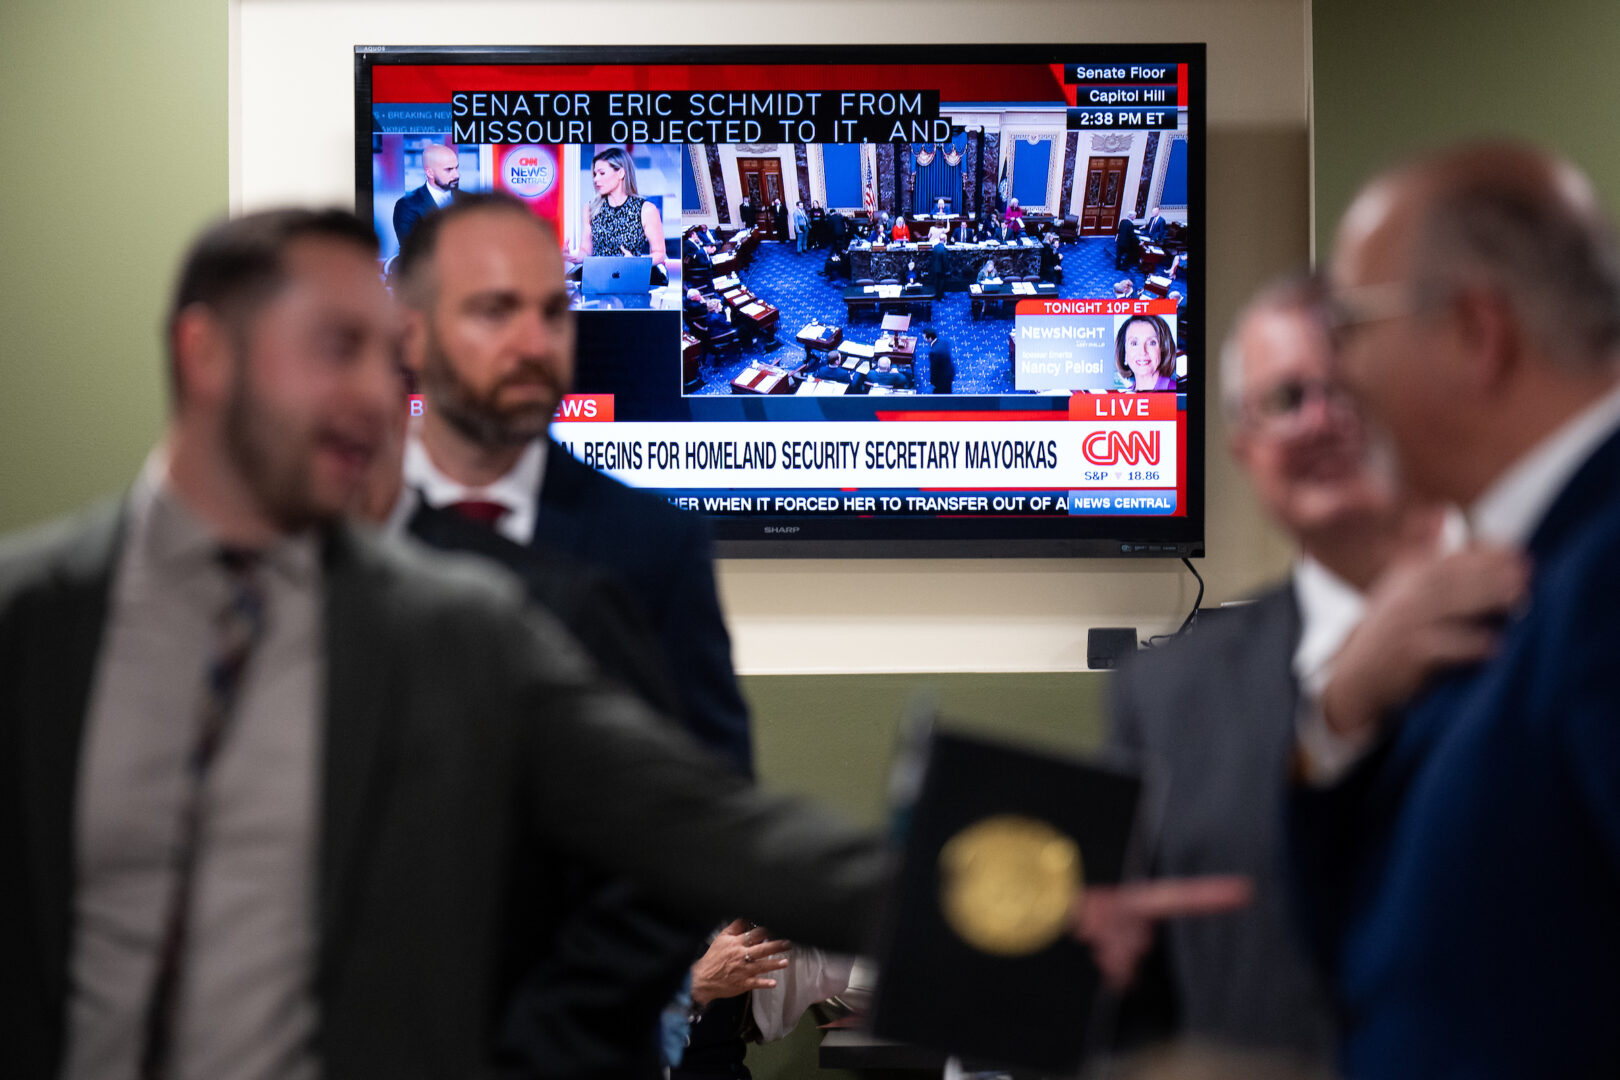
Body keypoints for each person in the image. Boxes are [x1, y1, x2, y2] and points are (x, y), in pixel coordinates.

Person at [0, 208, 883, 1079]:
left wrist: (985, 899)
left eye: (383, 356)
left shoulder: (460, 622)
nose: (373, 394)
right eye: (333, 349)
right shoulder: (31, 620)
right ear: (206, 355)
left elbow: (709, 825)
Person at [1103, 275, 1524, 1069]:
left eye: (1350, 388)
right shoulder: (1163, 696)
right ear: (1244, 446)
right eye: (1287, 397)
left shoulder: (1560, 615)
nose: (1324, 419)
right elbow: (1139, 1014)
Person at [1297, 141, 1620, 1079]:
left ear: (1478, 332)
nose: (1337, 377)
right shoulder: (1524, 570)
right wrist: (1342, 713)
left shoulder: (1599, 582)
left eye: (1351, 325)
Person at [570, 145, 668, 285]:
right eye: (594, 174)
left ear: (621, 173)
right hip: (598, 280)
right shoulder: (590, 208)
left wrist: (636, 262)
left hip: (630, 278)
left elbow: (659, 253)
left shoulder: (646, 209)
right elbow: (586, 251)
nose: (596, 179)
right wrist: (572, 257)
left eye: (602, 173)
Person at [392, 141, 459, 247]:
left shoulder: (467, 200)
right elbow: (412, 251)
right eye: (449, 169)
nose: (456, 175)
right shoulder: (407, 205)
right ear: (429, 172)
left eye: (456, 168)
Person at [1115, 314, 1178, 392]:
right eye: (1134, 343)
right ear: (1124, 353)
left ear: (1164, 349)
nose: (1142, 352)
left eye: (1152, 343)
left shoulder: (1177, 392)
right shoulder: (1122, 397)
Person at [921, 326, 953, 394]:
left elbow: (934, 369)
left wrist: (933, 382)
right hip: (950, 372)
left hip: (942, 378)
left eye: (924, 337)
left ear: (929, 338)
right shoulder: (944, 342)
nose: (923, 338)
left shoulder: (933, 352)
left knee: (939, 394)